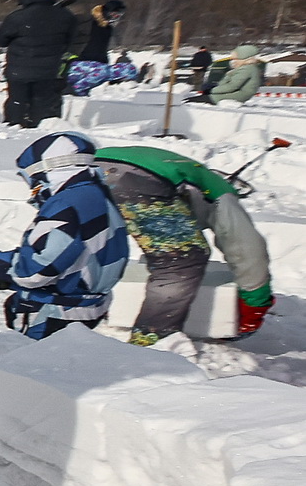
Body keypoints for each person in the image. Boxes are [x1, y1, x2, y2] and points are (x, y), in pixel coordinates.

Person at [0, 132, 128, 338]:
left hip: (52, 315)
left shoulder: (66, 204)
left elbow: (35, 271)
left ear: (44, 171)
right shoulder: (99, 195)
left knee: (31, 360)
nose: (32, 189)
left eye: (30, 179)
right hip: (85, 310)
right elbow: (76, 260)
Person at [92, 143, 275, 342]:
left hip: (82, 170)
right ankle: (151, 341)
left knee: (90, 246)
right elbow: (246, 245)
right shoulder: (220, 192)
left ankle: (78, 318)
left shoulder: (186, 172)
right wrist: (255, 302)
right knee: (180, 261)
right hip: (138, 178)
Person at [0, 0, 77, 126]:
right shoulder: (66, 17)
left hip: (18, 70)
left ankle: (13, 127)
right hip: (47, 70)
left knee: (16, 102)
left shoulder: (18, 17)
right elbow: (69, 42)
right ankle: (36, 130)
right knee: (41, 103)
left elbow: (0, 40)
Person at [66, 0, 124, 94]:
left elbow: (102, 49)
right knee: (102, 72)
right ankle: (73, 89)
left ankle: (79, 90)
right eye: (114, 14)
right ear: (107, 11)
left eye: (118, 16)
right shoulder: (86, 22)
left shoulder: (108, 29)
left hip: (96, 65)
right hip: (78, 61)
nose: (115, 18)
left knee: (110, 71)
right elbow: (68, 36)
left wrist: (105, 64)